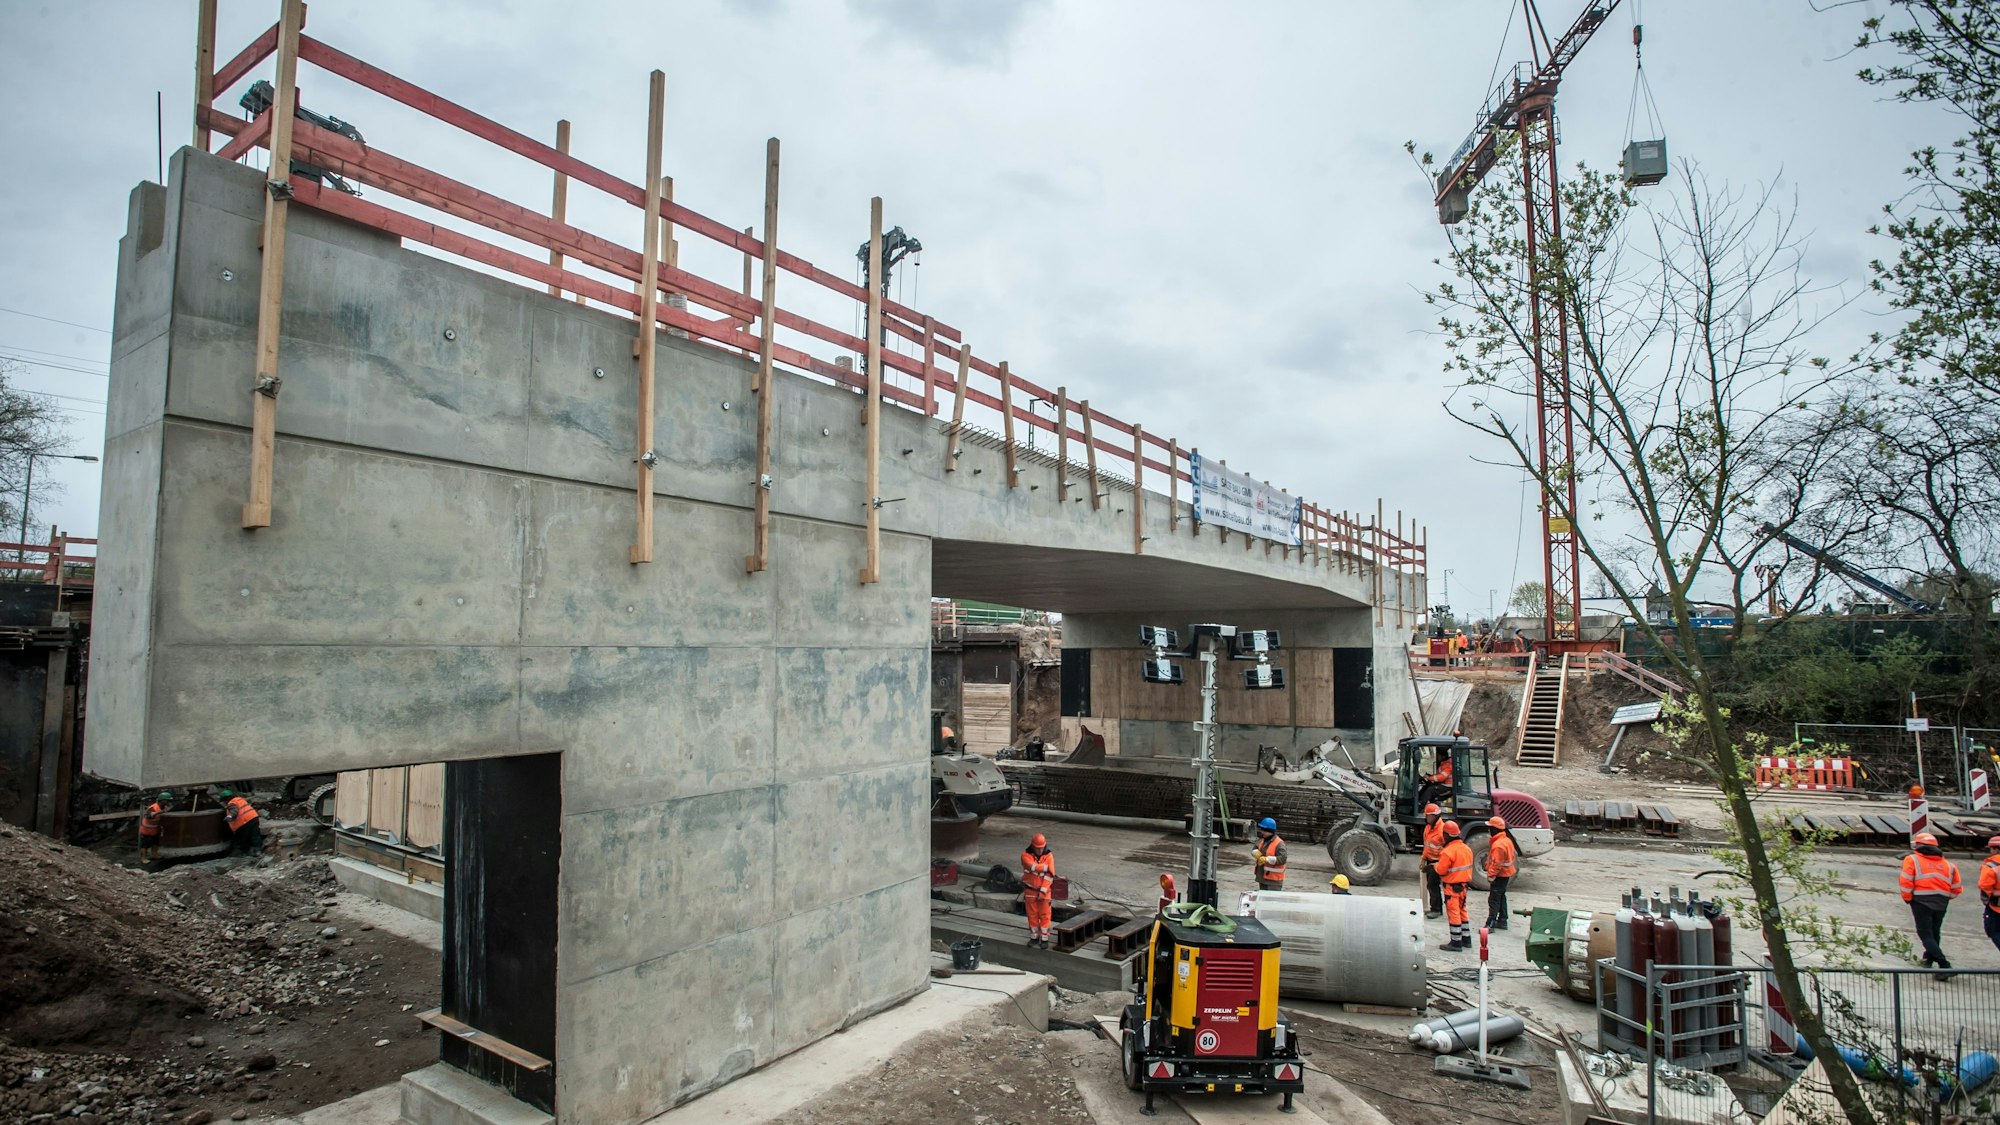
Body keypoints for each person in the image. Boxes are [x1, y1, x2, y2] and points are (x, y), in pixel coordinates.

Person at [1899, 831, 1962, 972]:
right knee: (1934, 932)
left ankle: (1944, 965)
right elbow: (1957, 888)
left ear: (1919, 846)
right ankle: (1928, 960)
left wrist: (1908, 898)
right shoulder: (1949, 865)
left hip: (1921, 901)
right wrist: (1945, 898)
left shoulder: (1912, 859)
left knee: (1925, 933)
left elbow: (1906, 881)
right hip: (1942, 902)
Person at [1436, 821, 1475, 951]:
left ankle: (1456, 942)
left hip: (1452, 887)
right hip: (1463, 887)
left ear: (1446, 835)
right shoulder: (1467, 849)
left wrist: (1433, 867)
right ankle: (1466, 939)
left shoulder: (1447, 852)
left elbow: (1441, 870)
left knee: (1454, 913)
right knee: (1463, 911)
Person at [1021, 833, 1056, 948]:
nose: (1040, 850)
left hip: (1044, 892)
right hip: (1030, 891)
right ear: (1033, 846)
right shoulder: (1025, 855)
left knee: (1045, 915)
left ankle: (1044, 938)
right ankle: (1034, 937)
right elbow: (1031, 867)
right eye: (1038, 848)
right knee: (1032, 916)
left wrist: (1042, 891)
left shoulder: (1049, 856)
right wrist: (1046, 867)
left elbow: (1049, 876)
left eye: (1042, 848)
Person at [1483, 815, 1517, 930]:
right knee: (1501, 896)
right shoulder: (1506, 840)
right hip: (1505, 874)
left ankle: (1490, 924)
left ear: (1494, 829)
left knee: (1494, 899)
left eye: (1490, 828)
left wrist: (1491, 875)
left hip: (1500, 875)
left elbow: (1497, 863)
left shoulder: (1498, 845)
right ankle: (1503, 921)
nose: (1488, 830)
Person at [218, 788, 263, 856]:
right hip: (253, 818)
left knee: (243, 838)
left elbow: (234, 811)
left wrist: (229, 816)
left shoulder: (231, 803)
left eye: (224, 801)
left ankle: (243, 852)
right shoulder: (240, 799)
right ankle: (258, 850)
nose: (224, 803)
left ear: (226, 799)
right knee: (255, 835)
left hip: (244, 823)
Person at [1420, 804, 1446, 918]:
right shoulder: (1428, 828)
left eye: (1428, 815)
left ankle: (1436, 909)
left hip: (1438, 862)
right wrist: (1423, 859)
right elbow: (1427, 846)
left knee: (1433, 885)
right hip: (1430, 861)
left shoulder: (1442, 830)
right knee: (1431, 886)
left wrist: (1440, 864)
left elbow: (1447, 850)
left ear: (1434, 816)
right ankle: (1434, 907)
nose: (1426, 817)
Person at [1252, 817, 1288, 891]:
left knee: (1272, 901)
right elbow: (1254, 848)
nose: (1262, 832)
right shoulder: (1263, 840)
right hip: (1262, 877)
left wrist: (1267, 859)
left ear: (1270, 831)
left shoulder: (1279, 843)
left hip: (1273, 880)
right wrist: (1256, 853)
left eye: (1264, 830)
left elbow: (1282, 859)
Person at [137, 791, 172, 863]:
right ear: (162, 800)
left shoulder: (163, 806)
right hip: (146, 830)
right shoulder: (153, 808)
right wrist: (161, 812)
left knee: (155, 843)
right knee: (145, 845)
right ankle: (143, 858)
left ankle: (154, 854)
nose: (168, 802)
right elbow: (149, 816)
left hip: (155, 829)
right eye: (167, 800)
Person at [1980, 835, 2000, 955]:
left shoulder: (1990, 867)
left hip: (1995, 907)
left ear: (1996, 849)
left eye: (1991, 849)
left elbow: (1984, 886)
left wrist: (1988, 900)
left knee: (1994, 931)